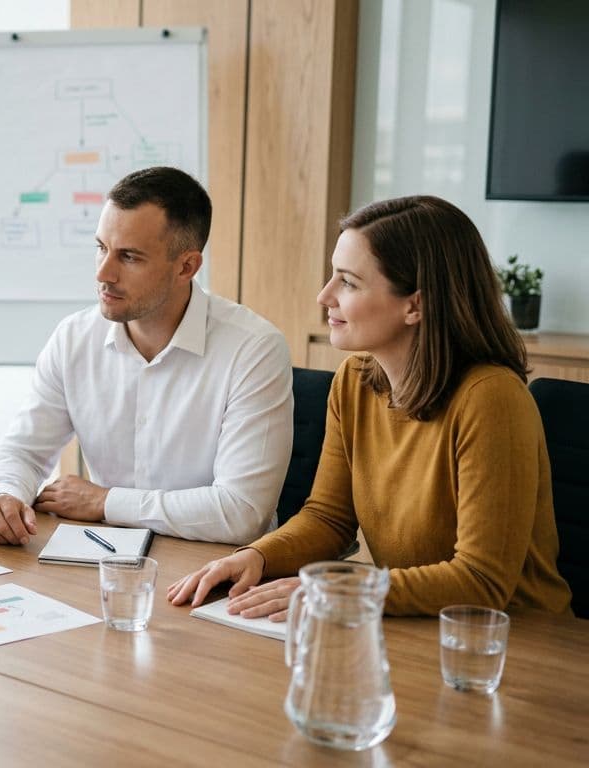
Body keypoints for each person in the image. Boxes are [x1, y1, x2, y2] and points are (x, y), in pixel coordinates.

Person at [168, 195, 573, 618]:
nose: (325, 296)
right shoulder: (356, 380)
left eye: (348, 282)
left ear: (414, 305)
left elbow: (481, 580)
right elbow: (328, 517)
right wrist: (257, 556)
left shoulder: (491, 398)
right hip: (409, 622)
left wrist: (338, 589)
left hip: (510, 641)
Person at [0, 166, 293, 547]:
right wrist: (2, 495)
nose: (104, 273)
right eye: (101, 248)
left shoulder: (253, 349)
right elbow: (22, 451)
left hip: (216, 569)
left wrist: (106, 502)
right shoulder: (74, 338)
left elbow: (240, 512)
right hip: (106, 557)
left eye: (129, 257)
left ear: (186, 266)